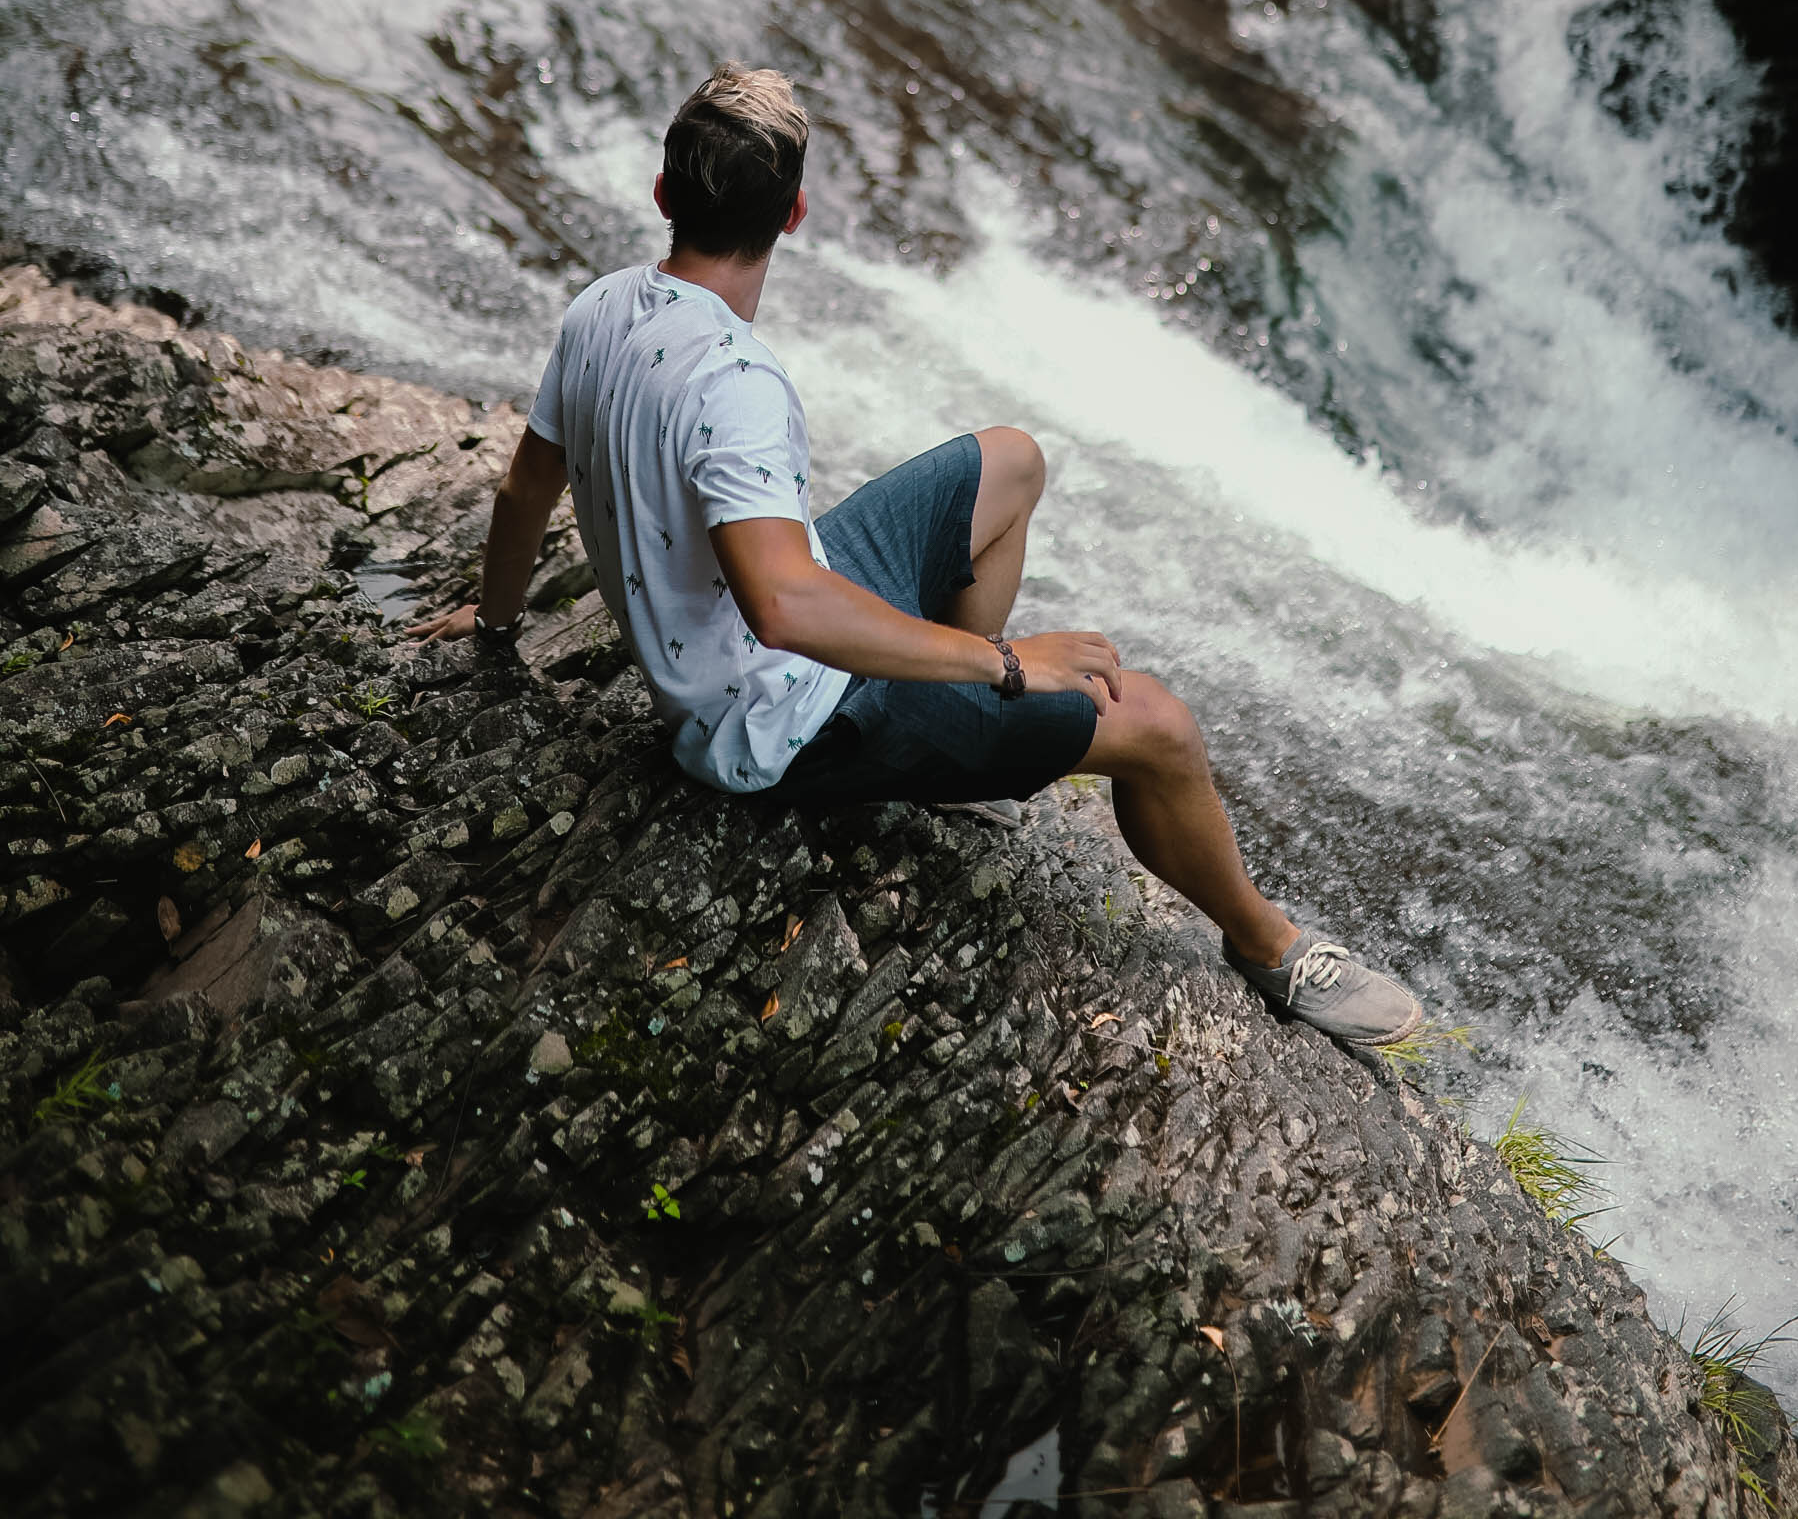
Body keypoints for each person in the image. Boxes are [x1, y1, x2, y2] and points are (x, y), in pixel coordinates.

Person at [407, 64, 1422, 1047]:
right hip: (779, 725)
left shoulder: (599, 309)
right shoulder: (735, 383)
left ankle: (960, 736)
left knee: (1010, 464)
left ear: (664, 191)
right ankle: (1269, 945)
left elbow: (522, 488)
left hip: (792, 625)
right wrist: (1008, 665)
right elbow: (785, 610)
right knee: (1156, 725)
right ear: (795, 217)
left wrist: (495, 621)